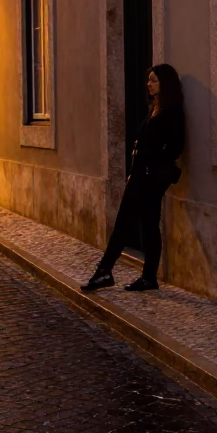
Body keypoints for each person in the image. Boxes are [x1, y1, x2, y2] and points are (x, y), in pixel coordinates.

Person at [82, 64, 185, 293]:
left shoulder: (173, 110)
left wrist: (148, 158)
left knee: (124, 223)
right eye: (148, 80)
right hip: (141, 173)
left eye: (153, 80)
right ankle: (148, 278)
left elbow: (176, 147)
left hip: (152, 176)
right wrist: (135, 166)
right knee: (149, 224)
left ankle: (105, 271)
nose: (148, 84)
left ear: (164, 83)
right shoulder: (155, 108)